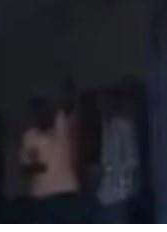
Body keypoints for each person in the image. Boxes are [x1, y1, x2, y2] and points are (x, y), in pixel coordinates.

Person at [19, 95, 89, 223]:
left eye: (45, 111)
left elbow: (69, 103)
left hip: (67, 194)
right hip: (45, 197)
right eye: (38, 112)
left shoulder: (60, 127)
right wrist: (37, 167)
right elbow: (25, 170)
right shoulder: (30, 137)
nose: (43, 115)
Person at [95, 86, 140, 223]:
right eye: (99, 102)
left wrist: (109, 169)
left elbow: (132, 161)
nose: (100, 106)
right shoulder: (103, 126)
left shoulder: (123, 127)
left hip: (120, 195)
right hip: (103, 195)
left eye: (103, 101)